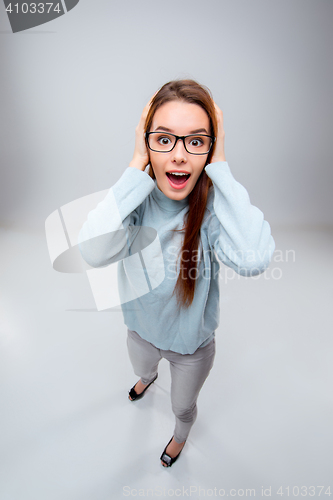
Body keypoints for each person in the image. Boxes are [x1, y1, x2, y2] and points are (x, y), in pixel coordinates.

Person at [78, 79, 275, 468]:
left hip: (190, 349)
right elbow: (91, 249)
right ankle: (147, 377)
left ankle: (180, 437)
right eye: (164, 139)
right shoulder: (136, 200)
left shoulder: (215, 211)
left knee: (183, 407)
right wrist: (136, 162)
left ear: (210, 148)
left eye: (197, 142)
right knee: (142, 368)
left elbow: (253, 258)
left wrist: (221, 168)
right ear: (147, 142)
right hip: (140, 331)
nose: (180, 156)